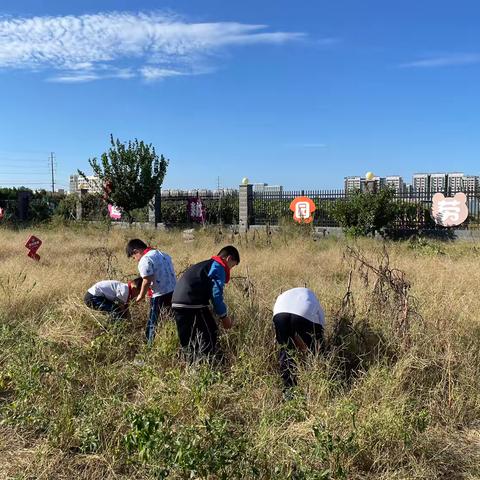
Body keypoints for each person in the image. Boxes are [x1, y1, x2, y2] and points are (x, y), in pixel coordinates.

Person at [171, 245, 240, 360]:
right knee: (210, 332)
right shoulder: (219, 266)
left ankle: (191, 365)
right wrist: (224, 317)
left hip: (177, 302)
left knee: (187, 338)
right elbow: (216, 295)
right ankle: (208, 363)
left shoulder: (204, 265)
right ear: (228, 259)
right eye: (232, 266)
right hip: (192, 303)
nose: (230, 269)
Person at [272, 287, 325, 391]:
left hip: (279, 313)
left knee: (286, 350)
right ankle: (315, 383)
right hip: (304, 313)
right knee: (316, 349)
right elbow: (321, 327)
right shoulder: (311, 296)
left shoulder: (285, 295)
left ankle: (289, 390)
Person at [126, 239, 177, 342]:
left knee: (153, 322)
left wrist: (141, 295)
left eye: (134, 257)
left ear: (136, 251)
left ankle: (149, 345)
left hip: (159, 294)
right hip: (173, 291)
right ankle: (173, 338)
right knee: (172, 318)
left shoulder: (145, 259)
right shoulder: (163, 254)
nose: (135, 259)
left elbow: (147, 280)